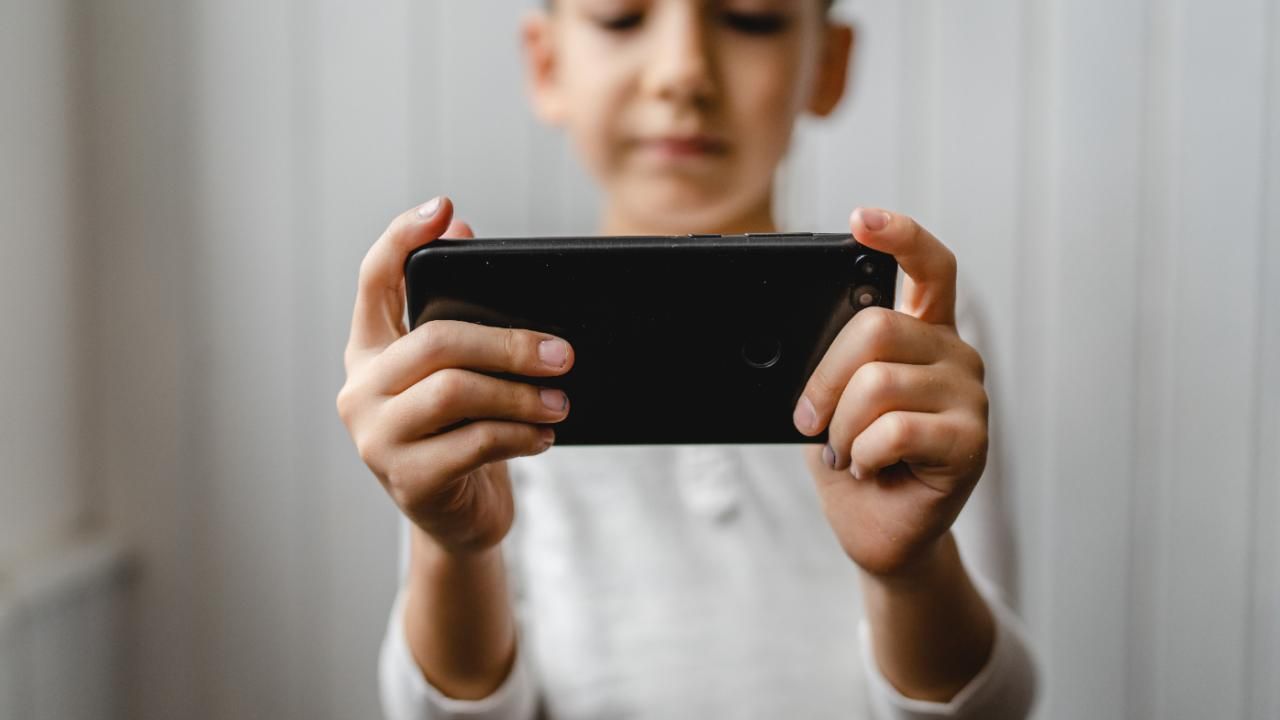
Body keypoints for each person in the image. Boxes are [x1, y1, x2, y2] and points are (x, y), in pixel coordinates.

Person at [335, 0, 1038, 717]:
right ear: (546, 63)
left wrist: (912, 570)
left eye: (752, 18)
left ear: (828, 64)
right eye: (620, 17)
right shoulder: (478, 355)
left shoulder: (908, 339)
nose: (683, 73)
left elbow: (994, 706)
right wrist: (453, 547)